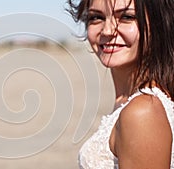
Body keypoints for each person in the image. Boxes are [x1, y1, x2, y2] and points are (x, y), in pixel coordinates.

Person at [67, 0, 174, 168]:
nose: (107, 30)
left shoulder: (143, 111)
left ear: (159, 22)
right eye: (96, 17)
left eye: (126, 17)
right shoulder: (129, 101)